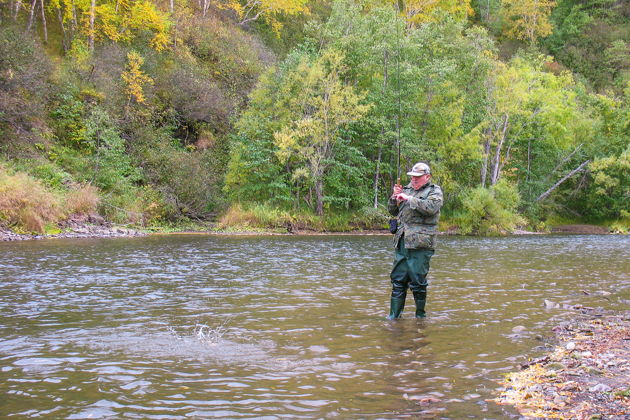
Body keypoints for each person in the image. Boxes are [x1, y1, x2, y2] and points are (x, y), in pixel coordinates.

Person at [387, 162, 443, 319]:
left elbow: (431, 208)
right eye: (412, 177)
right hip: (402, 241)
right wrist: (394, 197)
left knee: (418, 282)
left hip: (421, 244)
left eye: (418, 178)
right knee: (398, 280)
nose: (414, 180)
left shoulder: (434, 191)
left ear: (427, 177)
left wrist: (409, 198)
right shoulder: (406, 189)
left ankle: (420, 316)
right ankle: (394, 318)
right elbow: (392, 210)